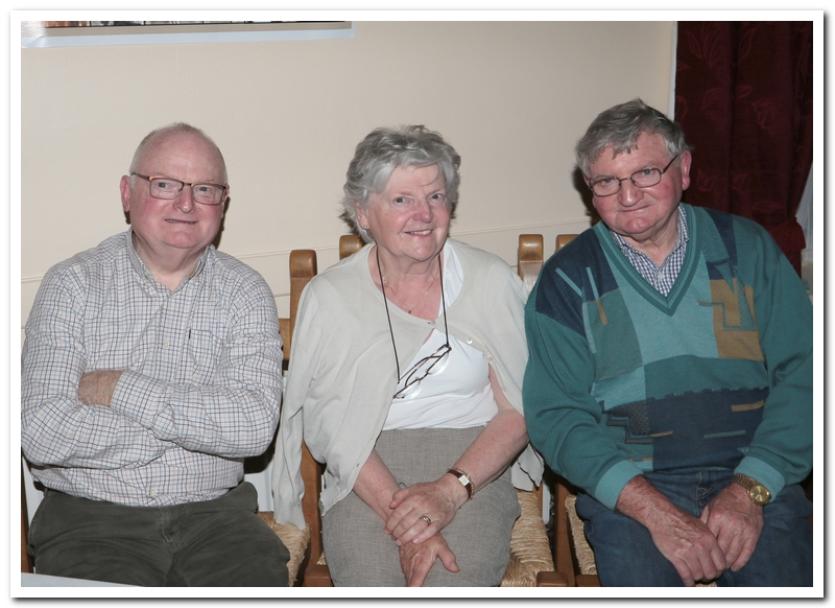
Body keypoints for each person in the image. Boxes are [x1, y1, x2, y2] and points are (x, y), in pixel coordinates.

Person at [523, 99, 812, 587]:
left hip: (754, 467)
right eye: (607, 182)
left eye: (646, 172)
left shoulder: (749, 249)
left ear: (684, 170)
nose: (628, 195)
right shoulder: (567, 281)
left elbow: (808, 373)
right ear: (590, 190)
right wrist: (654, 511)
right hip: (634, 487)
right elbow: (557, 417)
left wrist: (751, 487)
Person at [272, 125, 543, 586]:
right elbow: (330, 426)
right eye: (401, 200)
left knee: (453, 581)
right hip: (366, 470)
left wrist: (449, 491)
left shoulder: (489, 281)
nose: (423, 214)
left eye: (436, 197)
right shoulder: (331, 296)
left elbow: (520, 409)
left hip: (474, 463)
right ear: (363, 213)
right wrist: (410, 521)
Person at [21, 123, 290, 586]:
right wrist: (185, 434)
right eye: (165, 184)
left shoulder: (245, 292)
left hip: (218, 522)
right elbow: (41, 431)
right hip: (90, 525)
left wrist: (118, 388)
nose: (186, 204)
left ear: (222, 204)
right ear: (128, 193)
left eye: (204, 189)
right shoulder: (72, 284)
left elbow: (252, 429)